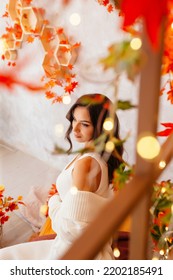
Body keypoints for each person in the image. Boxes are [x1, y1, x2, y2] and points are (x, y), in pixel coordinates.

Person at [0, 93, 123, 260]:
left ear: (101, 127)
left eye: (85, 124)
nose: (75, 128)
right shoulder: (98, 155)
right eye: (74, 120)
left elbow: (73, 231)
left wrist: (53, 203)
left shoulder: (86, 165)